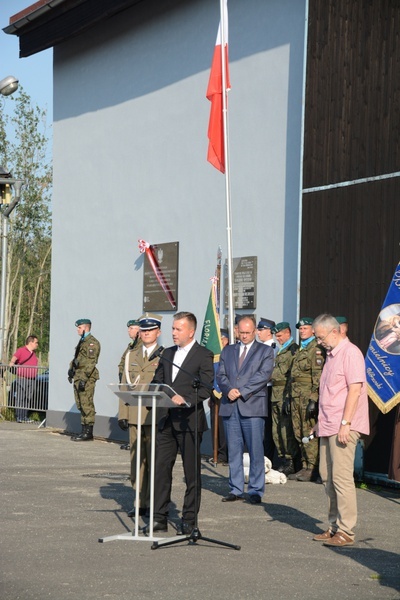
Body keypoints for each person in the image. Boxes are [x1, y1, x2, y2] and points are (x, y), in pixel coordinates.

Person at [151, 311, 214, 535]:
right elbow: (157, 381)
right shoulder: (167, 353)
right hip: (166, 420)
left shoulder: (203, 354)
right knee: (160, 470)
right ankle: (159, 517)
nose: (173, 333)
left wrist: (186, 400)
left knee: (191, 473)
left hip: (189, 422)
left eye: (178, 329)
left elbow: (206, 387)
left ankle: (189, 520)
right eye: (173, 329)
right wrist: (159, 393)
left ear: (191, 331)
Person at [312, 314, 369, 547]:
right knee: (327, 477)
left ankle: (346, 531)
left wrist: (346, 424)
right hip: (328, 425)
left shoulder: (350, 353)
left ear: (334, 332)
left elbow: (354, 390)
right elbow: (329, 393)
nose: (318, 342)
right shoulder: (330, 356)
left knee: (342, 479)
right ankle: (334, 525)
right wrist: (319, 422)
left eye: (320, 337)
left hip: (343, 426)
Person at [217, 315, 274, 504]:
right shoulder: (228, 351)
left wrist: (241, 391)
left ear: (255, 331)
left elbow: (263, 376)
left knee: (256, 450)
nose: (245, 336)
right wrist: (228, 390)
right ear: (236, 331)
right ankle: (236, 488)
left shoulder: (265, 351)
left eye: (248, 333)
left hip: (252, 406)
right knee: (234, 450)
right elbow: (221, 375)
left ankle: (256, 490)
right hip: (230, 405)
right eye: (241, 332)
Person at [118, 313, 162, 518]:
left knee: (155, 461)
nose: (146, 334)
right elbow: (125, 384)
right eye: (143, 330)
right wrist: (123, 413)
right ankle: (139, 502)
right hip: (135, 415)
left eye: (150, 330)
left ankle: (155, 503)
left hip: (154, 415)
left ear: (158, 332)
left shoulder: (165, 355)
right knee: (137, 462)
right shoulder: (130, 355)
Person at [289, 317, 325, 482]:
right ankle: (304, 466)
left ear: (313, 330)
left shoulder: (315, 349)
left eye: (305, 328)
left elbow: (317, 376)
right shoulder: (299, 349)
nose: (302, 331)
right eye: (300, 329)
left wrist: (314, 398)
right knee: (298, 431)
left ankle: (312, 467)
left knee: (308, 431)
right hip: (296, 396)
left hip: (306, 396)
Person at [270, 322, 300, 475]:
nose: (278, 338)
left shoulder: (293, 350)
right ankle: (282, 458)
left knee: (285, 429)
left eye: (280, 335)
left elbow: (292, 377)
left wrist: (288, 397)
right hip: (275, 393)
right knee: (276, 429)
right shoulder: (281, 350)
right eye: (276, 336)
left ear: (288, 333)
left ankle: (290, 461)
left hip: (284, 394)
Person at [68, 318, 101, 441]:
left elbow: (91, 362)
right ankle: (83, 430)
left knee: (87, 403)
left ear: (85, 328)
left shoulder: (92, 343)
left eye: (79, 327)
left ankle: (88, 432)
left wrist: (84, 378)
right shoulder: (82, 341)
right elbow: (78, 358)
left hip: (86, 376)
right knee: (80, 403)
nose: (77, 329)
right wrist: (71, 370)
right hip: (79, 374)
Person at [256, 317, 278, 462]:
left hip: (268, 389)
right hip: (259, 390)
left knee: (268, 426)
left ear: (269, 331)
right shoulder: (260, 348)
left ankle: (268, 457)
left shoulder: (273, 348)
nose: (258, 332)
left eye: (261, 329)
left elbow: (270, 371)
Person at [208, 328, 229, 465]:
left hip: (226, 393)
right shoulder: (214, 354)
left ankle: (224, 454)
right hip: (215, 392)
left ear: (226, 340)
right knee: (215, 425)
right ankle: (217, 453)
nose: (219, 342)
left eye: (221, 339)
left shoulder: (230, 352)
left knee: (224, 426)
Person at [9, 335, 39, 423]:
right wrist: (11, 363)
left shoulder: (33, 353)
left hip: (32, 379)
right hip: (22, 379)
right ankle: (19, 416)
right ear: (30, 342)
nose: (37, 344)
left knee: (28, 398)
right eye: (36, 342)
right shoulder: (21, 350)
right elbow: (14, 358)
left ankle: (24, 416)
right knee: (20, 397)